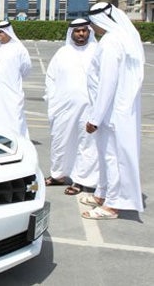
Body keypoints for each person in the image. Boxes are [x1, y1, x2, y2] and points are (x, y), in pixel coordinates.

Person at [80, 2, 145, 220]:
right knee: (107, 155)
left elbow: (107, 83)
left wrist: (95, 119)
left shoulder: (110, 42)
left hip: (110, 112)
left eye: (92, 23)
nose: (91, 28)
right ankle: (103, 194)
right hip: (116, 110)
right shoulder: (121, 38)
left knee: (112, 157)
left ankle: (112, 205)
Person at [44, 18, 99, 195]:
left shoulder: (97, 51)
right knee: (60, 140)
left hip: (89, 107)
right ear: (72, 33)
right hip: (63, 107)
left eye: (84, 30)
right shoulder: (62, 52)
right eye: (77, 31)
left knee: (86, 143)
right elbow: (51, 78)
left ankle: (82, 180)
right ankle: (58, 175)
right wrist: (52, 100)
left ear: (89, 32)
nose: (81, 34)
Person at [0, 21, 32, 138]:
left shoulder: (19, 49)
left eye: (1, 32)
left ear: (8, 32)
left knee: (14, 118)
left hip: (12, 92)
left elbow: (26, 69)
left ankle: (17, 141)